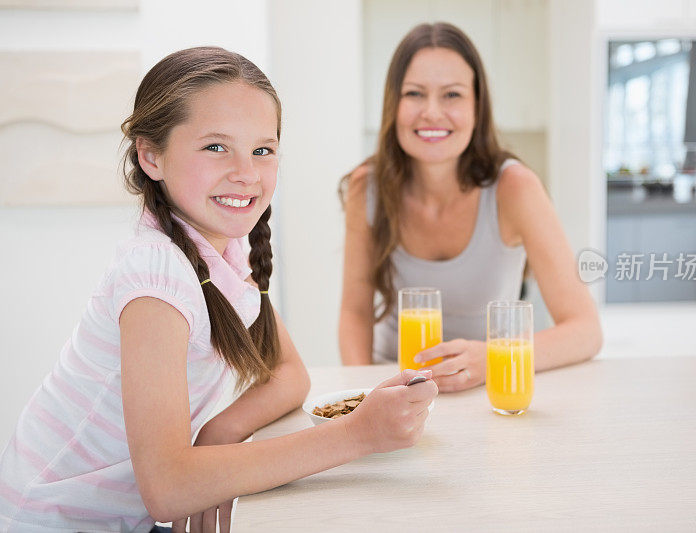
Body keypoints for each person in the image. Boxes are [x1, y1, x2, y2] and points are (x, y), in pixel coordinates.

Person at [0, 47, 437, 533]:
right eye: (215, 147)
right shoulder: (155, 276)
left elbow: (289, 374)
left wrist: (217, 434)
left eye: (262, 150)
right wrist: (357, 435)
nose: (246, 172)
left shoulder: (222, 253)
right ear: (151, 156)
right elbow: (167, 490)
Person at [338, 23, 602, 391]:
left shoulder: (516, 188)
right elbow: (355, 313)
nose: (431, 112)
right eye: (414, 93)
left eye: (452, 95)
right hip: (395, 382)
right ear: (393, 104)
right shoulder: (367, 188)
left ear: (477, 106)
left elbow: (586, 330)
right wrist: (366, 397)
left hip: (490, 386)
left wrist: (495, 357)